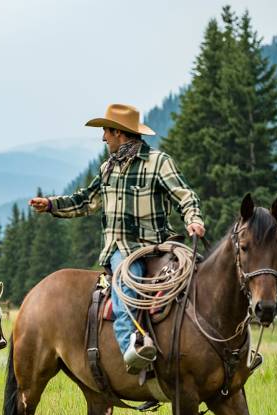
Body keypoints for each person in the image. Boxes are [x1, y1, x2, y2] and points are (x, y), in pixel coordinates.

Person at [29, 103, 205, 371]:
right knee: (126, 286)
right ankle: (133, 350)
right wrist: (51, 205)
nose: (103, 138)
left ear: (119, 132)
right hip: (122, 248)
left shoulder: (158, 162)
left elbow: (185, 195)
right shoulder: (107, 169)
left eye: (105, 132)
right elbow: (86, 200)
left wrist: (193, 220)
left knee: (201, 276)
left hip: (159, 245)